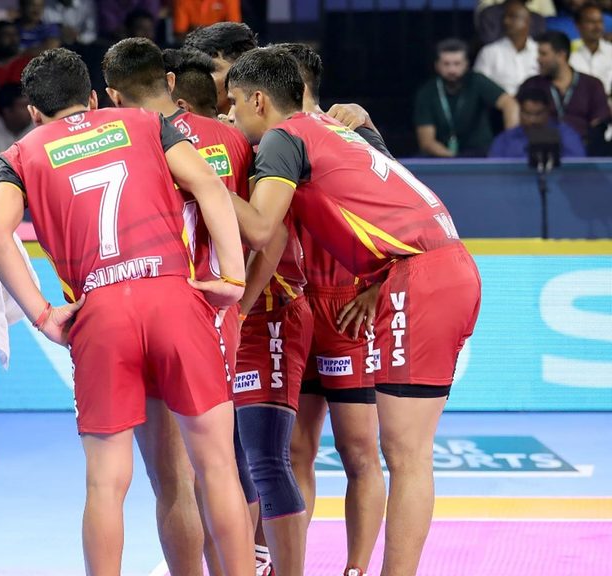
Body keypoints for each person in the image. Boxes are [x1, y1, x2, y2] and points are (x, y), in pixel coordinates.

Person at [0, 48, 252, 576]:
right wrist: (234, 279)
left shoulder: (20, 153)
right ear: (91, 97)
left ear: (34, 112)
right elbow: (210, 189)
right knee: (217, 467)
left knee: (106, 483)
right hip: (173, 296)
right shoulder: (144, 122)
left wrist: (42, 314)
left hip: (98, 312)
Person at [227, 48, 481, 576]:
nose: (229, 116)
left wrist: (192, 173)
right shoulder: (334, 131)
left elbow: (258, 227)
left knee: (404, 454)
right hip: (440, 267)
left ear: (258, 99)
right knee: (404, 452)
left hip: (421, 277)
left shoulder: (284, 136)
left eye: (233, 104)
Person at [103, 37, 258, 576]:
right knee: (221, 467)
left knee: (172, 481)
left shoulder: (111, 141)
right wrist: (239, 290)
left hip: (146, 305)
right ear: (169, 83)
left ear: (111, 94)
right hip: (217, 314)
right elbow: (266, 228)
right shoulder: (234, 140)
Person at [268, 43, 386, 576]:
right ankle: (288, 564)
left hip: (346, 312)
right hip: (293, 308)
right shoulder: (270, 139)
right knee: (295, 451)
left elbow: (399, 215)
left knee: (359, 451)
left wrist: (376, 288)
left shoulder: (354, 135)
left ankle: (356, 569)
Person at [413, 38, 519, 157]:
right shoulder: (427, 92)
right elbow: (426, 142)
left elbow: (510, 104)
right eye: (446, 64)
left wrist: (511, 141)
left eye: (457, 64)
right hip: (442, 156)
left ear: (466, 64)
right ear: (437, 65)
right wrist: (454, 160)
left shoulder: (477, 81)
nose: (452, 70)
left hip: (480, 152)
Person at [519, 30, 611, 142]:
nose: (538, 59)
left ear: (561, 55)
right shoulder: (531, 85)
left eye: (543, 54)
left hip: (584, 150)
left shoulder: (592, 85)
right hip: (540, 146)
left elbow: (599, 122)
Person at [183, 22, 260, 116]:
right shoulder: (177, 126)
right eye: (193, 70)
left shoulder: (270, 128)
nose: (197, 79)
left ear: (244, 70)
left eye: (210, 70)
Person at [488, 86, 587, 157]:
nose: (532, 120)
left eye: (538, 114)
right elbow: (494, 171)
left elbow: (577, 166)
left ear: (548, 111)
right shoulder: (505, 140)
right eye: (527, 114)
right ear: (520, 112)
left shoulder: (565, 134)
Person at [474, 0, 540, 95]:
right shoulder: (489, 52)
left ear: (527, 21)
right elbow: (478, 88)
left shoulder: (540, 51)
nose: (506, 21)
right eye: (504, 17)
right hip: (499, 108)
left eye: (512, 17)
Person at [570, 2, 612, 95]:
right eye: (591, 22)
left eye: (600, 21)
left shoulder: (611, 51)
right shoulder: (569, 54)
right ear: (578, 25)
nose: (597, 27)